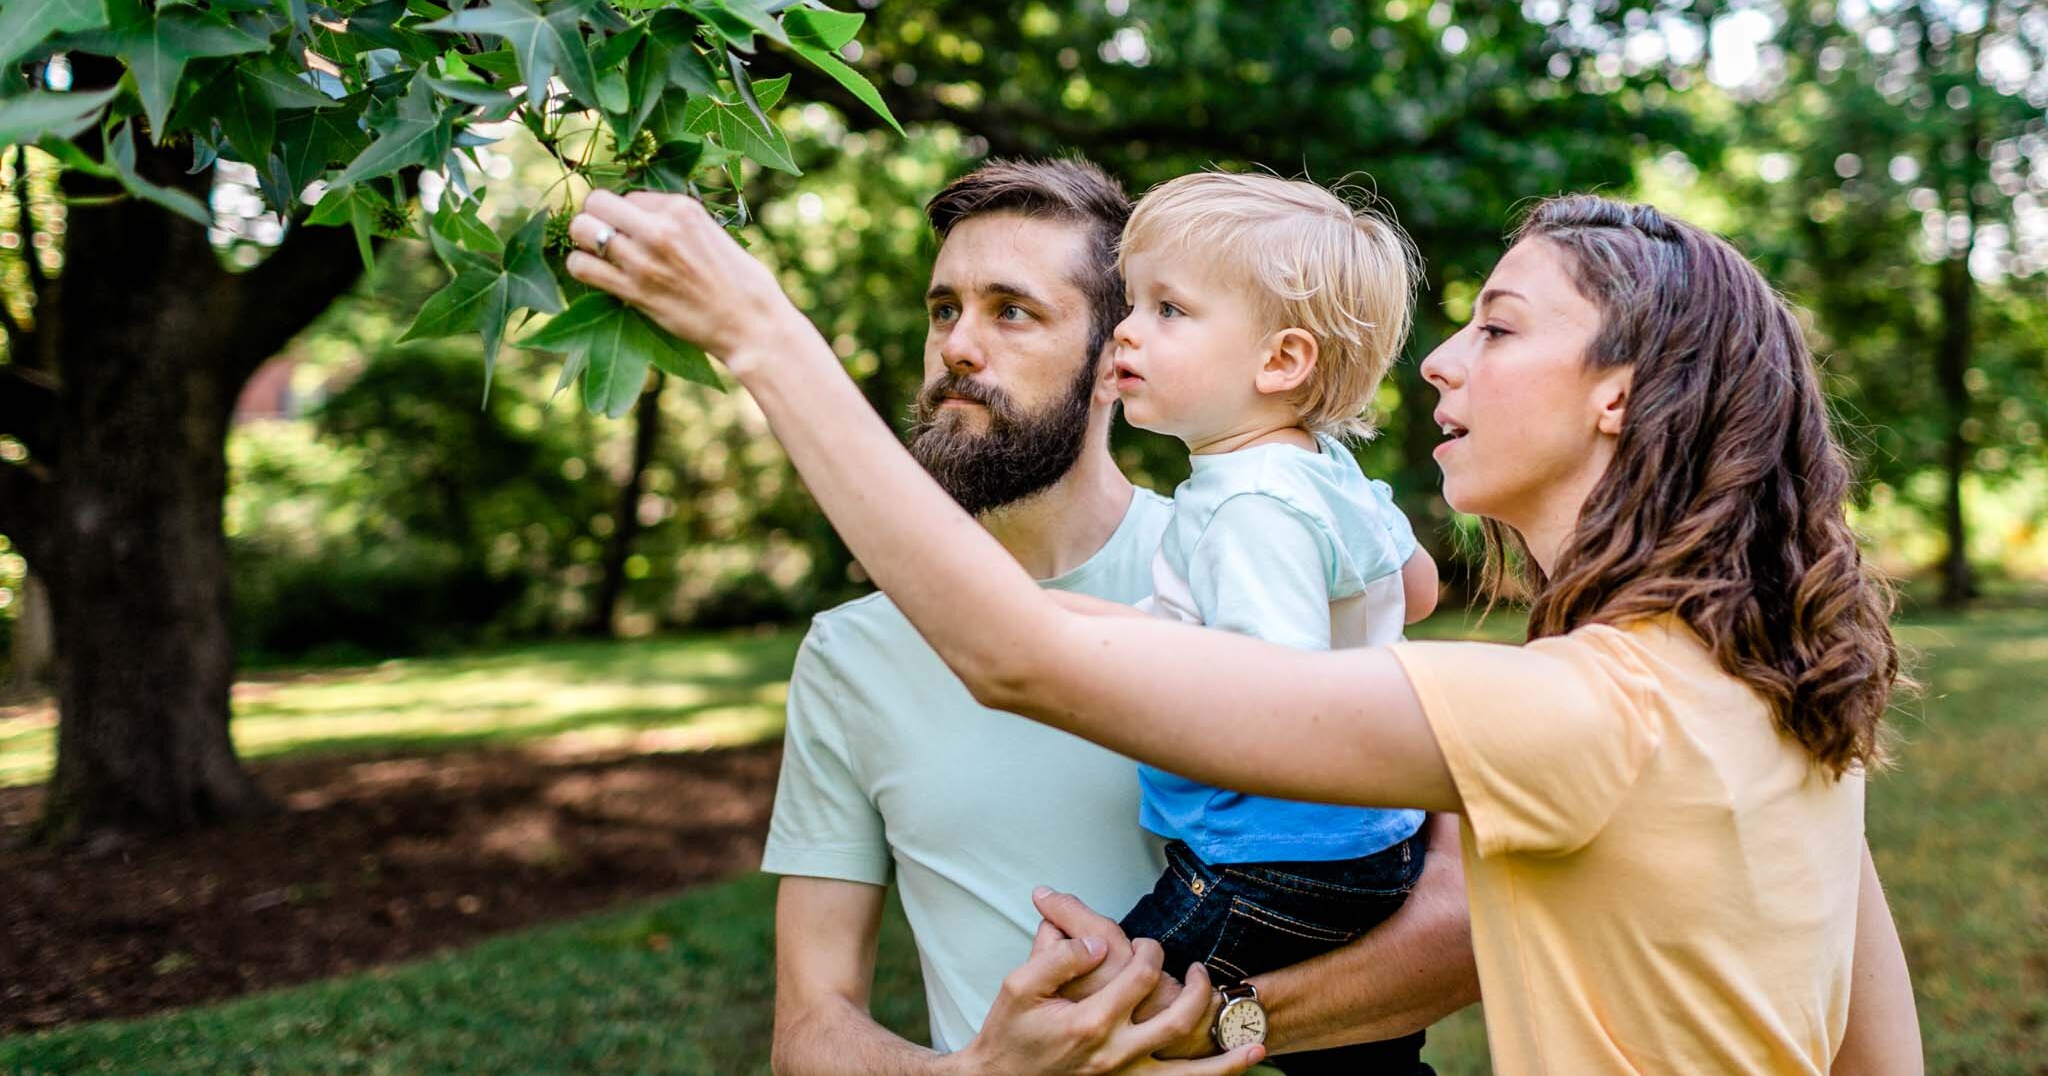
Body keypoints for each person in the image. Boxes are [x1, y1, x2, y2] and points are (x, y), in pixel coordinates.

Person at [567, 184, 1925, 1073]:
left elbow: (1018, 653)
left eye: (1495, 328)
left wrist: (756, 331)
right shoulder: (1782, 696)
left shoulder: (1582, 709)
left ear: (1620, 395)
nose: (1438, 362)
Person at [738, 158, 1478, 1074]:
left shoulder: (1251, 548)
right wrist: (979, 1074)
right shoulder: (849, 653)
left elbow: (1458, 931)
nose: (958, 347)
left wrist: (1204, 1026)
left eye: (1012, 310)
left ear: (1109, 360)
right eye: (944, 309)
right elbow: (809, 1025)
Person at [1098, 172, 1438, 1073]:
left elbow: (1273, 701)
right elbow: (1422, 584)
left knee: (1101, 1016)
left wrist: (1130, 657)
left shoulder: (1250, 504)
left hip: (1270, 859)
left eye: (1169, 308)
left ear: (1280, 362)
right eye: (1132, 302)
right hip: (1374, 842)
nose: (1126, 328)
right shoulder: (1323, 470)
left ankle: (1224, 1024)